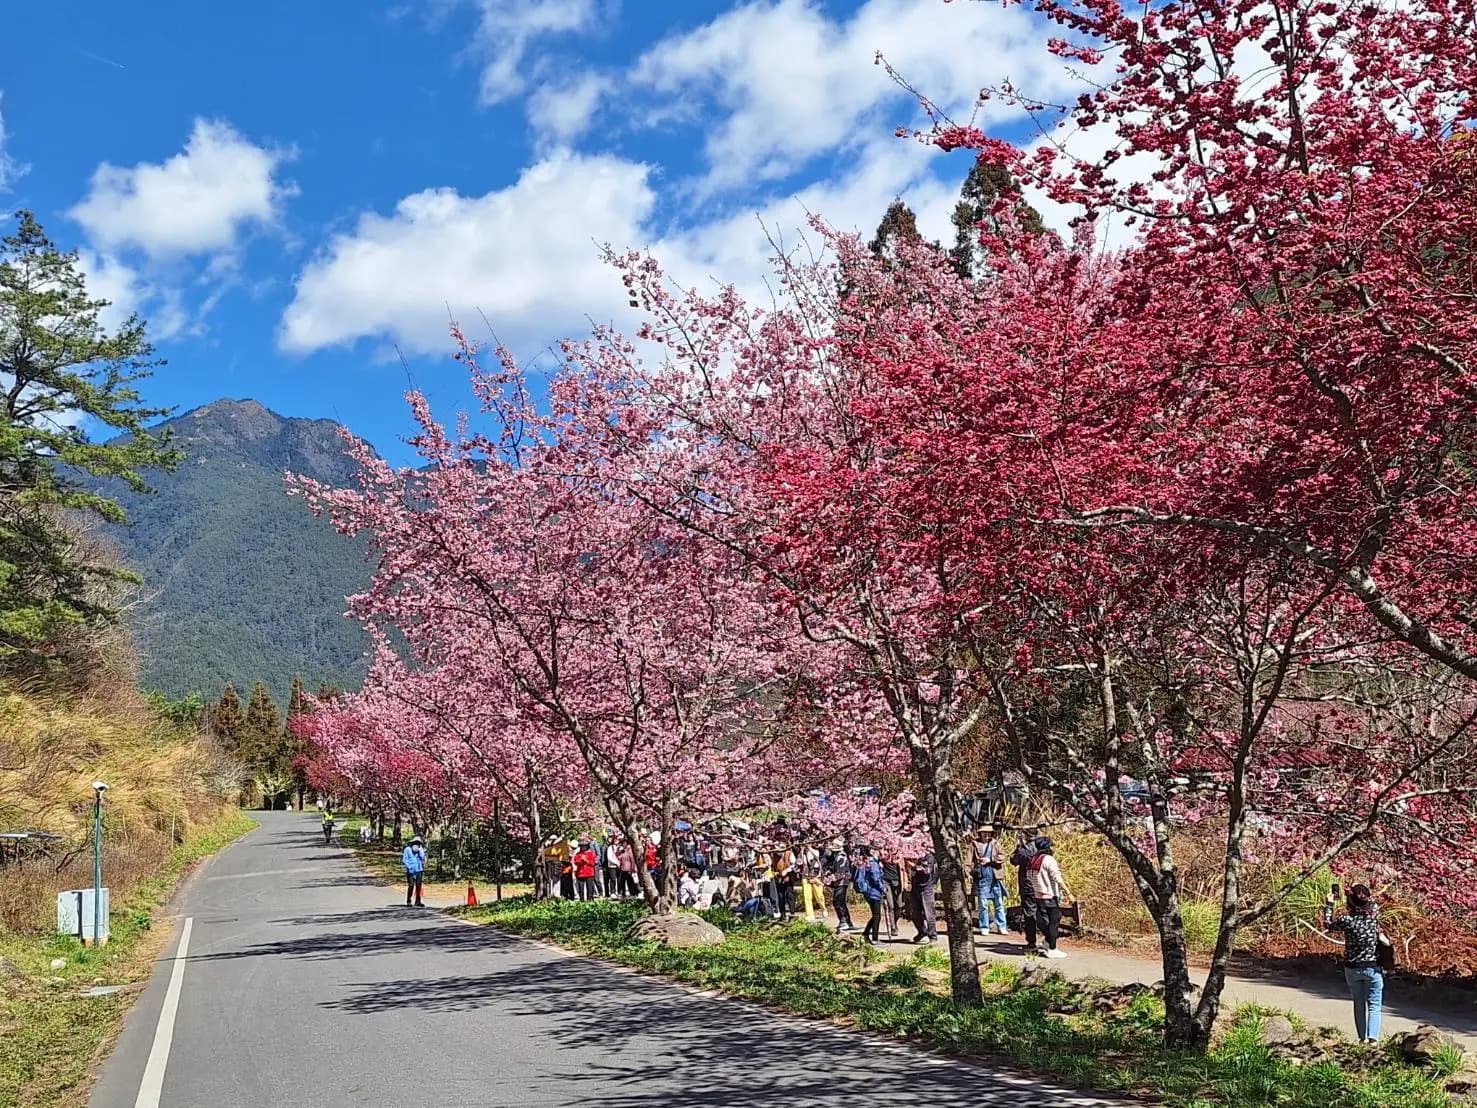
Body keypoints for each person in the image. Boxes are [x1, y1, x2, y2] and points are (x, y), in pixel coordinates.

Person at [1323, 883, 1387, 1043]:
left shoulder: (1347, 920)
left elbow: (1328, 924)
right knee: (1374, 1004)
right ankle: (1373, 1039)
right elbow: (1373, 904)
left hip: (1352, 969)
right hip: (1373, 968)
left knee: (1359, 1003)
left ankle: (1362, 1038)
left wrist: (1329, 904)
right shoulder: (1373, 918)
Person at [1027, 836, 1072, 958]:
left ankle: (1047, 942)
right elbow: (1056, 877)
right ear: (1048, 847)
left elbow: (1029, 876)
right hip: (1050, 895)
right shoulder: (1048, 859)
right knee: (1054, 921)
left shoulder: (1033, 859)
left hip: (1038, 895)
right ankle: (1052, 948)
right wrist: (1069, 892)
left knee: (1044, 921)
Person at [973, 825, 1008, 935]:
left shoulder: (995, 844)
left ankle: (1001, 926)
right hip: (982, 877)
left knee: (999, 903)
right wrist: (968, 871)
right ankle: (984, 926)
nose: (987, 835)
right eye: (984, 832)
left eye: (989, 833)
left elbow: (1003, 856)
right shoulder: (974, 844)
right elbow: (969, 860)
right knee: (983, 904)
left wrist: (991, 859)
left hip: (994, 877)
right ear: (981, 833)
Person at [1011, 831, 1040, 952]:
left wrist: (1018, 847)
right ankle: (1049, 940)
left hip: (1027, 885)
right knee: (1043, 911)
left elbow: (1014, 861)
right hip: (1041, 884)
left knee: (1029, 913)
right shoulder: (1042, 846)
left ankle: (1031, 941)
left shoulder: (1024, 850)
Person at [853, 845, 887, 945]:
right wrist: (882, 888)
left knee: (875, 915)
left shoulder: (865, 862)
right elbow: (876, 878)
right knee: (877, 915)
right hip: (874, 891)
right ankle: (874, 938)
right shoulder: (873, 864)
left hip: (867, 891)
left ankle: (866, 934)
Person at [909, 849, 938, 943]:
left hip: (926, 888)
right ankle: (922, 931)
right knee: (914, 913)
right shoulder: (911, 854)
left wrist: (914, 866)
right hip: (914, 887)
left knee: (929, 913)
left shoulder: (929, 856)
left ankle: (932, 936)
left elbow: (927, 870)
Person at [827, 845, 856, 932]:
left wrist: (831, 877)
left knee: (838, 901)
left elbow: (841, 872)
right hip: (840, 882)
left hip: (841, 882)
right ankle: (847, 921)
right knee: (840, 902)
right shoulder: (837, 856)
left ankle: (844, 921)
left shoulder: (841, 857)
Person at [402, 835, 426, 907]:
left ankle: (418, 901)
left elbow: (423, 858)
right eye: (415, 843)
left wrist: (421, 851)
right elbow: (404, 859)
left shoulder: (420, 850)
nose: (416, 845)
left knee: (418, 886)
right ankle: (409, 900)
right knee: (411, 885)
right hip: (411, 870)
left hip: (419, 870)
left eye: (418, 843)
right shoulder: (407, 849)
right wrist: (409, 867)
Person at [573, 836, 599, 901]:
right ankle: (581, 900)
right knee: (581, 889)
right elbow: (576, 862)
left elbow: (593, 863)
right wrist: (581, 860)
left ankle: (590, 900)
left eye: (584, 846)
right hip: (580, 874)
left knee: (590, 888)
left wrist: (586, 860)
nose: (583, 847)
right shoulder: (578, 854)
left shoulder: (591, 854)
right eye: (582, 846)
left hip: (589, 873)